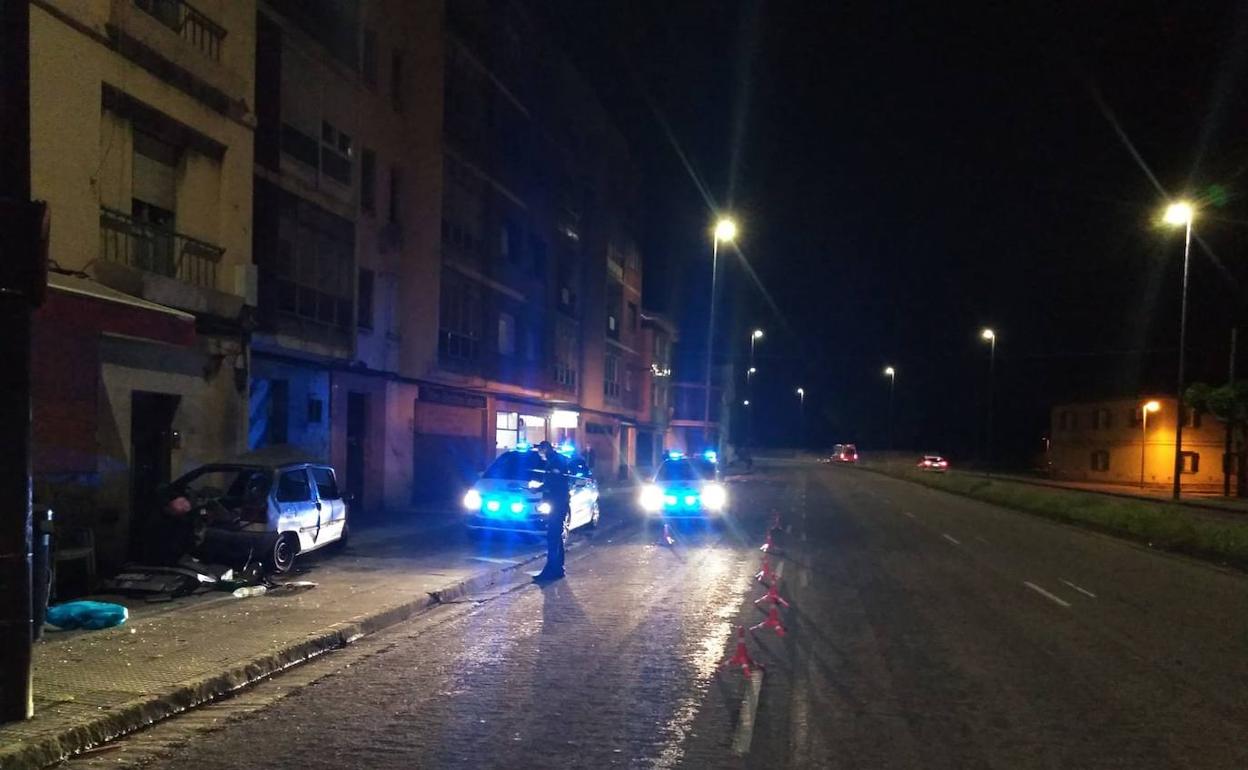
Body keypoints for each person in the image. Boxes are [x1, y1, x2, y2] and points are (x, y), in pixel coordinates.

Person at [533, 440, 570, 581]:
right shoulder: (555, 460)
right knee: (556, 536)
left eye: (541, 452)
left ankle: (551, 570)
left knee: (553, 536)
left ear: (546, 449)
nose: (540, 455)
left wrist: (539, 488)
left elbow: (554, 482)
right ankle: (558, 568)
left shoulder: (556, 461)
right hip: (557, 502)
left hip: (558, 503)